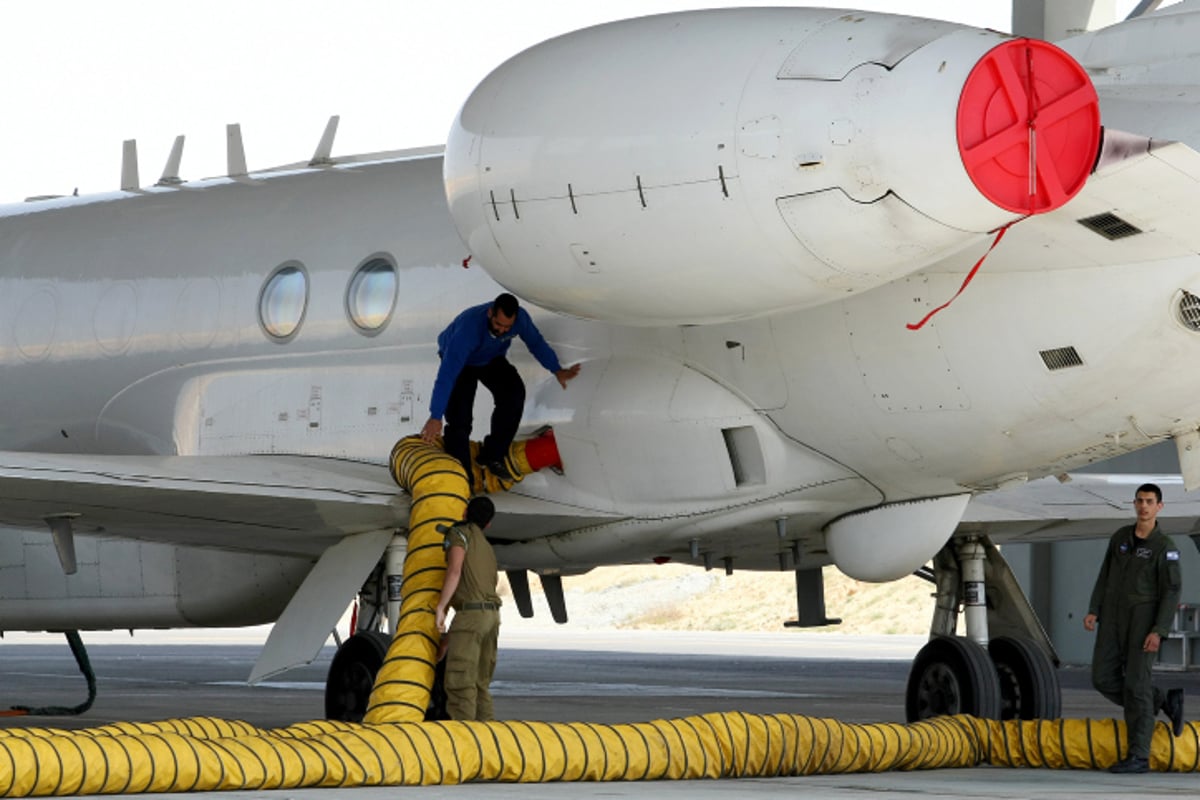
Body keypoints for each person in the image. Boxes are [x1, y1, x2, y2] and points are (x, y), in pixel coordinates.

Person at [420, 293, 580, 482]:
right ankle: (461, 475)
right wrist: (435, 416)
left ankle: (492, 456)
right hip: (461, 362)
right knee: (460, 418)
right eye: (498, 325)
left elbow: (536, 343)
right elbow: (445, 378)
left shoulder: (520, 319)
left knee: (513, 394)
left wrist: (557, 370)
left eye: (507, 327)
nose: (502, 331)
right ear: (490, 314)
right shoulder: (467, 331)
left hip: (490, 358)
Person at [1084, 482, 1185, 773]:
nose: (1143, 506)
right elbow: (1105, 574)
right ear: (1134, 504)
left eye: (1149, 501)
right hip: (1112, 620)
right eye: (1140, 501)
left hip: (1143, 623)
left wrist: (1159, 630)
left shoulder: (1165, 547)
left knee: (1136, 685)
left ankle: (1139, 756)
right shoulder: (1120, 538)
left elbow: (1172, 591)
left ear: (1159, 507)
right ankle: (1162, 699)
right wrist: (1094, 609)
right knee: (1102, 678)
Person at [434, 496, 502, 721]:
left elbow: (455, 571)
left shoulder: (460, 534)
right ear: (489, 524)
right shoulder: (487, 548)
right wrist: (448, 640)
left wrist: (441, 607)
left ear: (464, 512)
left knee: (460, 684)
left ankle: (464, 746)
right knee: (480, 685)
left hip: (471, 616)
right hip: (491, 617)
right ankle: (487, 742)